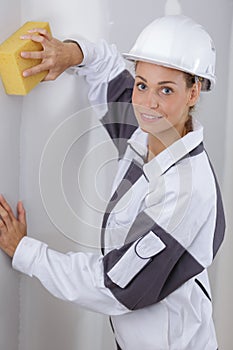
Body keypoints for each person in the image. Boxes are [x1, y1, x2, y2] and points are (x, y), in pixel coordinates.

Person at [0, 15, 225, 350]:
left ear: (194, 92)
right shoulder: (149, 130)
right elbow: (107, 70)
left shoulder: (188, 192)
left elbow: (116, 287)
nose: (148, 102)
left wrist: (26, 252)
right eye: (142, 84)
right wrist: (71, 54)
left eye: (166, 89)